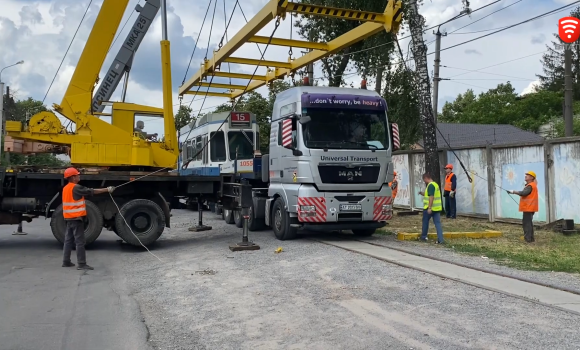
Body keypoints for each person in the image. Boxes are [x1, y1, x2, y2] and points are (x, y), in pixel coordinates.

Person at [62, 167, 115, 270]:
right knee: (79, 242)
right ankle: (81, 264)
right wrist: (107, 189)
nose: (79, 176)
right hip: (76, 218)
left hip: (69, 218)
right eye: (77, 175)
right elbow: (91, 191)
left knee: (68, 240)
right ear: (73, 177)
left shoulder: (66, 188)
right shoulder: (76, 187)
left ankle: (66, 261)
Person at [507, 171, 538, 243]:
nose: (526, 176)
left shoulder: (530, 185)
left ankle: (528, 239)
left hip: (529, 207)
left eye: (528, 175)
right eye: (526, 175)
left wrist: (513, 191)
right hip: (530, 207)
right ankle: (531, 239)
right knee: (529, 223)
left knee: (527, 224)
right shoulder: (530, 185)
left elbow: (523, 193)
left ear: (532, 177)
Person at [418, 173, 444, 244]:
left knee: (425, 222)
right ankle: (441, 240)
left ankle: (423, 237)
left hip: (430, 209)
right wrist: (422, 193)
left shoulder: (430, 185)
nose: (424, 181)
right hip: (437, 209)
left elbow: (431, 197)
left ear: (426, 178)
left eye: (424, 180)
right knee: (438, 224)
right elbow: (429, 194)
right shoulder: (435, 185)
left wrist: (429, 207)